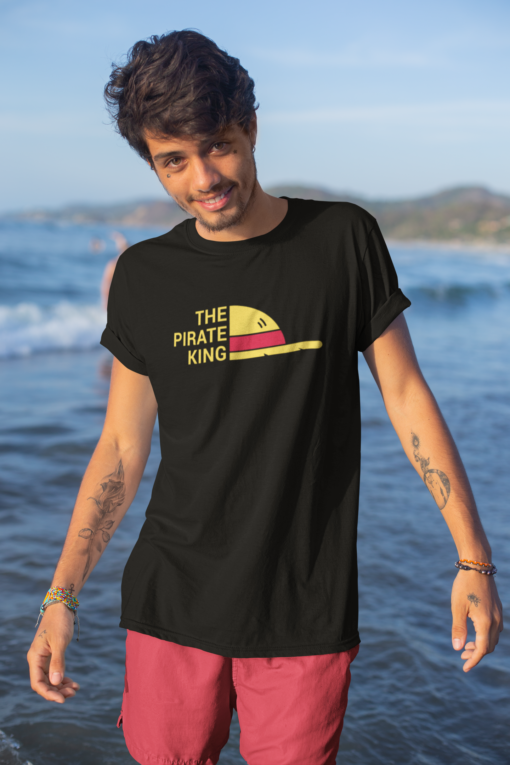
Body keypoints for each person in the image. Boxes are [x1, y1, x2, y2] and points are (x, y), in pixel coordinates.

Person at [27, 30, 503, 765]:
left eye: (216, 145)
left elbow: (407, 399)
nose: (202, 178)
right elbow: (121, 447)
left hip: (302, 607)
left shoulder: (344, 240)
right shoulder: (145, 278)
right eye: (173, 160)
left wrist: (473, 560)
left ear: (250, 127)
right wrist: (61, 597)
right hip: (171, 602)